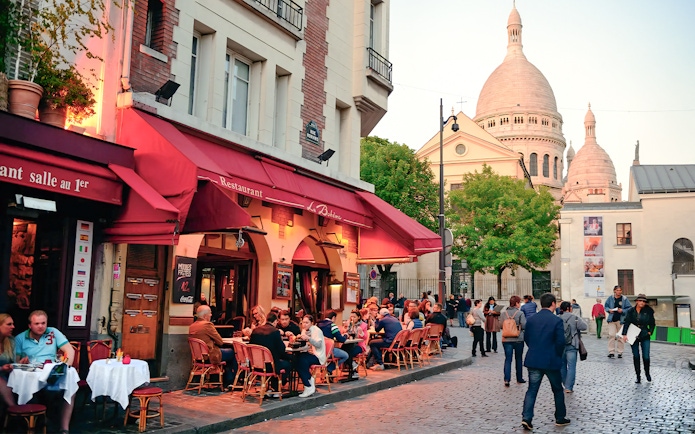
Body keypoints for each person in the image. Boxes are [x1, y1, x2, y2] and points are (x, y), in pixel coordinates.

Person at [15, 310, 76, 434]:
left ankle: (64, 428)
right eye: (37, 323)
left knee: (71, 387)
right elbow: (15, 361)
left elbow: (69, 350)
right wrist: (22, 361)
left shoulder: (53, 332)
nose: (41, 326)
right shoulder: (20, 338)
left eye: (43, 323)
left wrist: (64, 367)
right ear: (29, 325)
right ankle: (31, 423)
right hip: (32, 375)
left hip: (52, 372)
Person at [521, 293, 570, 430]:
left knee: (532, 390)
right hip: (551, 360)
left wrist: (535, 348)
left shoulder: (531, 319)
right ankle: (560, 417)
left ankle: (527, 417)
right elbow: (560, 342)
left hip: (534, 359)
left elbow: (527, 338)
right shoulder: (556, 320)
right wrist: (557, 355)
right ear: (553, 304)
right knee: (557, 390)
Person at [189, 305, 237, 389]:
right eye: (210, 313)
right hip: (209, 355)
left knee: (228, 354)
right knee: (233, 352)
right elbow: (220, 341)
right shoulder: (207, 325)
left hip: (199, 357)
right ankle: (232, 381)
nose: (211, 315)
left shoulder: (192, 326)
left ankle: (226, 379)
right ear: (205, 316)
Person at [249, 312, 291, 396]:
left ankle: (272, 388)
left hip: (256, 365)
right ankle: (277, 387)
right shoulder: (275, 332)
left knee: (276, 360)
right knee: (289, 362)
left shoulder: (255, 330)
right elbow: (281, 349)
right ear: (275, 321)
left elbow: (251, 346)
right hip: (270, 366)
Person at [621, 293, 656, 383]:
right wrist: (624, 334)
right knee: (636, 356)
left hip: (644, 333)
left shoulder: (649, 311)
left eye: (644, 301)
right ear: (636, 301)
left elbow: (652, 323)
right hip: (633, 334)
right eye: (640, 301)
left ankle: (647, 373)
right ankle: (638, 376)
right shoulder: (631, 311)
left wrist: (650, 331)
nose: (642, 303)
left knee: (646, 356)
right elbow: (627, 322)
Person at [558, 301, 587, 393]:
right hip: (572, 344)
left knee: (562, 365)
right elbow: (584, 327)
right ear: (569, 308)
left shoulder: (557, 318)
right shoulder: (575, 318)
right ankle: (568, 387)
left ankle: (564, 383)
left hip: (561, 344)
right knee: (571, 366)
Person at [295, 315, 326, 398]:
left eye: (306, 323)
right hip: (309, 353)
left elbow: (318, 345)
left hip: (318, 356)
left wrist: (308, 338)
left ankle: (308, 385)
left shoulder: (316, 330)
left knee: (301, 361)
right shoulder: (305, 331)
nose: (304, 325)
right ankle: (309, 380)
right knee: (296, 359)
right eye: (303, 322)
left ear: (312, 323)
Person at [502, 296, 526, 387]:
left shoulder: (504, 313)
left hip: (506, 339)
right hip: (518, 338)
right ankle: (519, 378)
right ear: (516, 303)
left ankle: (507, 379)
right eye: (519, 302)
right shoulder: (520, 313)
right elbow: (524, 325)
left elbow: (501, 325)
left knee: (508, 359)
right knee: (518, 358)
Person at [604, 285, 631, 358]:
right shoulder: (610, 298)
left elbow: (629, 308)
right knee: (611, 335)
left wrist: (622, 310)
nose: (619, 292)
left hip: (621, 320)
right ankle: (611, 351)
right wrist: (609, 310)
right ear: (614, 291)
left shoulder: (624, 299)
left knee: (620, 337)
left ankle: (620, 352)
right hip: (612, 319)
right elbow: (606, 306)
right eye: (617, 290)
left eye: (620, 290)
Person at [0, 313, 17, 407]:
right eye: (9, 324)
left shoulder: (11, 341)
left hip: (7, 376)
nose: (13, 327)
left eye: (13, 324)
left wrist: (19, 363)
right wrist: (2, 368)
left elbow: (13, 363)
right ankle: (15, 410)